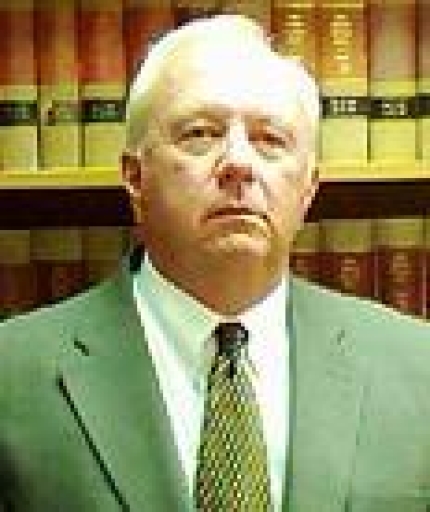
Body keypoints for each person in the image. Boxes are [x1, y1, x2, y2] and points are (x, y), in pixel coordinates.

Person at [1, 14, 430, 512]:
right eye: (201, 133)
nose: (239, 163)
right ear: (135, 177)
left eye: (270, 139)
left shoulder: (416, 368)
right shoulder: (13, 374)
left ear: (308, 189)